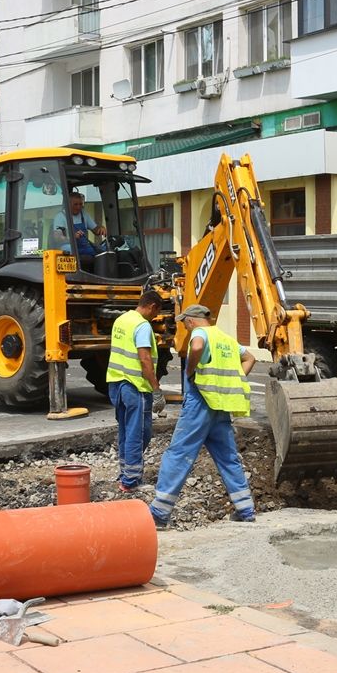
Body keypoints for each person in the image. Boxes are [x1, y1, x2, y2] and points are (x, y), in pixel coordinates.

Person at [149, 304, 257, 529]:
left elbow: (197, 346)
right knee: (228, 457)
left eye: (184, 323)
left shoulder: (199, 333)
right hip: (220, 405)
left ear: (190, 320)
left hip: (200, 403)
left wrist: (190, 370)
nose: (185, 327)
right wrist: (234, 381)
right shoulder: (225, 338)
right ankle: (246, 510)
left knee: (179, 453)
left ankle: (159, 514)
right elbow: (250, 358)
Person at [106, 291, 165, 492]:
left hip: (116, 383)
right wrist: (156, 389)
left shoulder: (121, 320)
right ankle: (131, 481)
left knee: (125, 429)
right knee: (138, 433)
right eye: (156, 312)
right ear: (152, 306)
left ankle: (125, 473)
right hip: (135, 386)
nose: (155, 317)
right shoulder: (142, 326)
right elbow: (145, 359)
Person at [52, 192, 106, 268]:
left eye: (80, 204)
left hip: (84, 247)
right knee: (68, 248)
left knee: (104, 253)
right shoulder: (61, 217)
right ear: (68, 204)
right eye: (75, 204)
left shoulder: (84, 214)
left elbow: (96, 230)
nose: (78, 207)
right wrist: (72, 237)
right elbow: (58, 237)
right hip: (70, 247)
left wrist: (101, 228)